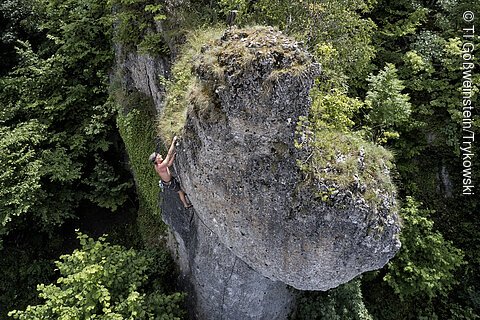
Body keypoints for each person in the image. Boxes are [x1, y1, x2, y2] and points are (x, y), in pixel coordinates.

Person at [149, 136, 192, 209]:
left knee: (180, 191)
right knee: (180, 192)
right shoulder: (160, 166)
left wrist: (174, 157)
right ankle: (186, 205)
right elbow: (168, 154)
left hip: (169, 181)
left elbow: (168, 164)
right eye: (158, 155)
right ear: (156, 159)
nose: (160, 155)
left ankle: (185, 200)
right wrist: (173, 141)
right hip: (170, 183)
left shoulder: (158, 165)